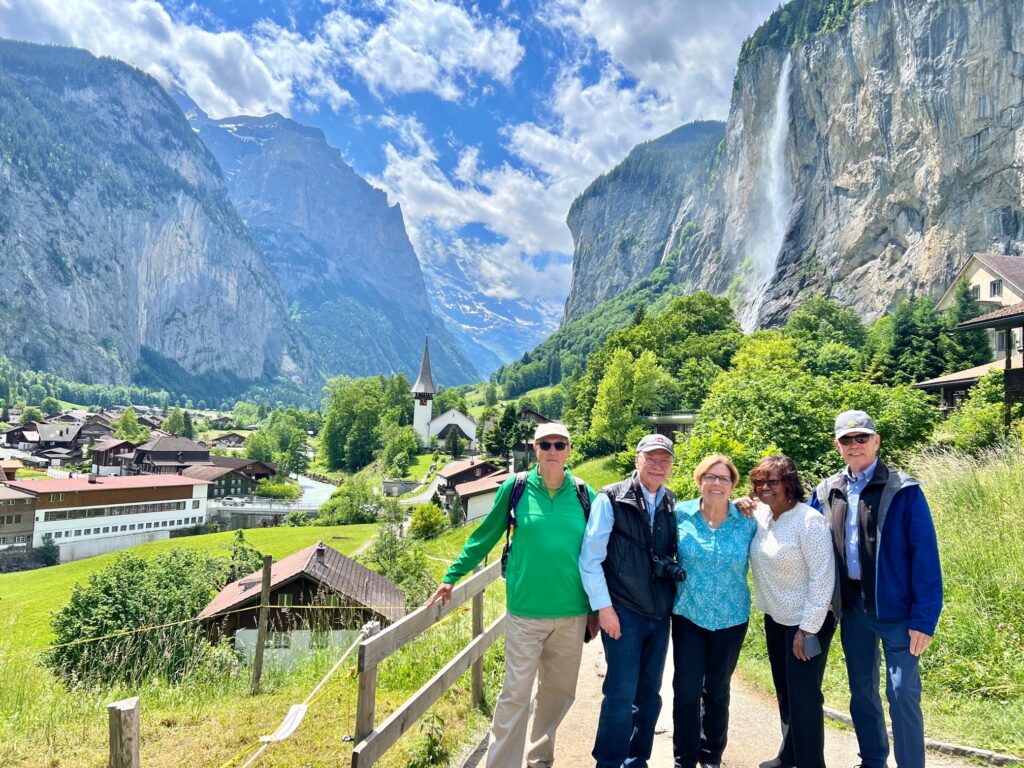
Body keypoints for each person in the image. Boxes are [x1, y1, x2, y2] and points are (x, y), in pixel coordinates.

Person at [425, 422, 595, 768]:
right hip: (525, 612)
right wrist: (451, 576)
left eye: (559, 445)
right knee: (515, 695)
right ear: (534, 449)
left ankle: (539, 759)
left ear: (568, 450)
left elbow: (600, 550)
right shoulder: (516, 489)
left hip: (572, 613)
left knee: (559, 694)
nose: (552, 451)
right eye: (545, 445)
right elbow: (483, 536)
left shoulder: (583, 493)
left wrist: (597, 608)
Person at [810, 410, 943, 768]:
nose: (854, 445)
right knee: (862, 693)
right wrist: (751, 508)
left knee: (902, 693)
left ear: (876, 441)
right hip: (852, 609)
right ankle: (873, 761)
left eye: (861, 438)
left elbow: (926, 556)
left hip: (898, 613)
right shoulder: (826, 491)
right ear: (837, 445)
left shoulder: (903, 489)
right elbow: (797, 527)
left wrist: (924, 618)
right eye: (846, 439)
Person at [579, 433, 680, 768]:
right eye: (650, 458)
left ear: (671, 466)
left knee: (649, 695)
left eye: (664, 460)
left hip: (658, 613)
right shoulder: (611, 497)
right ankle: (608, 761)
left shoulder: (670, 501)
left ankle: (638, 760)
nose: (657, 465)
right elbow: (590, 559)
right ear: (637, 460)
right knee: (620, 694)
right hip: (622, 611)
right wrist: (604, 609)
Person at [749, 454, 835, 768]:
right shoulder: (762, 515)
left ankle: (811, 762)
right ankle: (790, 756)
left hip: (808, 622)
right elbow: (732, 508)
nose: (764, 487)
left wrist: (808, 628)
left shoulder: (809, 521)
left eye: (772, 480)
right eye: (759, 481)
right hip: (775, 618)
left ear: (789, 483)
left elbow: (823, 577)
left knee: (804, 697)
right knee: (785, 691)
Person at [671, 453, 757, 768]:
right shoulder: (679, 515)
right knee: (687, 689)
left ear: (733, 484)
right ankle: (684, 756)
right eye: (710, 476)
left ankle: (711, 756)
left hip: (732, 618)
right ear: (699, 480)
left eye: (724, 478)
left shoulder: (748, 521)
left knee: (718, 690)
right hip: (689, 615)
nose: (716, 483)